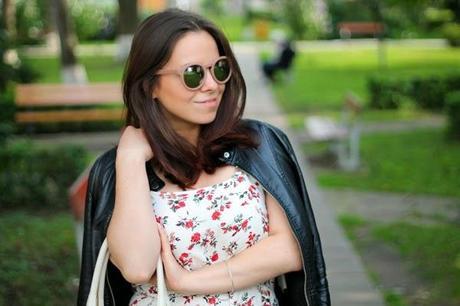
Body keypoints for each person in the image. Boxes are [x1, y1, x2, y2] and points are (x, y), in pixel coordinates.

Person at [77, 8, 330, 306]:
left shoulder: (259, 145)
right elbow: (137, 267)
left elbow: (290, 249)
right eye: (193, 74)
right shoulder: (118, 169)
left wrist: (186, 282)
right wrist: (130, 158)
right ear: (150, 86)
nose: (212, 85)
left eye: (219, 69)